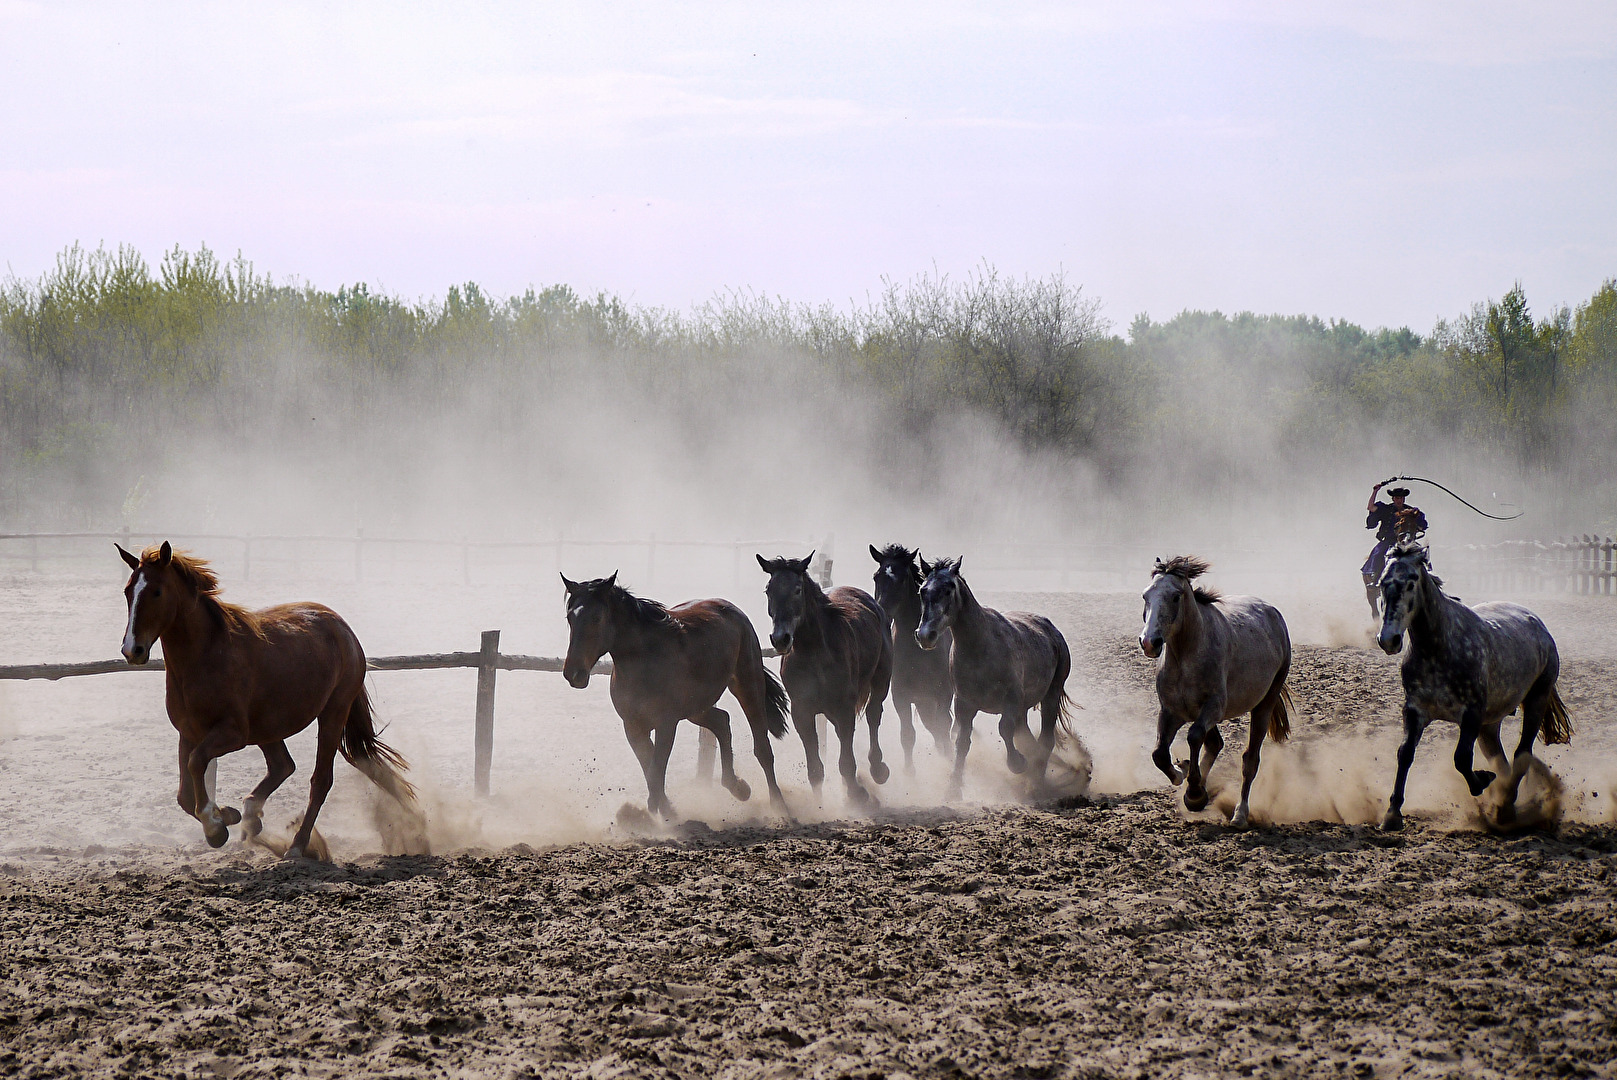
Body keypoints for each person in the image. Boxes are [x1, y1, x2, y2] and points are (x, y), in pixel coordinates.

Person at [1362, 482, 1427, 616]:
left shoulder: (1410, 512)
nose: (1399, 500)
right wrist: (1375, 491)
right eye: (1397, 498)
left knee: (1421, 554)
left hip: (1406, 542)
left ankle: (1427, 580)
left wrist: (1418, 526)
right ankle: (1375, 580)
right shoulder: (1386, 509)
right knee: (1379, 553)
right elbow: (1370, 507)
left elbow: (1422, 525)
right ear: (1393, 499)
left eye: (1401, 498)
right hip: (1388, 541)